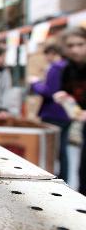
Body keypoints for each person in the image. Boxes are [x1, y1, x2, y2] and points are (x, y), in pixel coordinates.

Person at [30, 41, 70, 182]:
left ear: (52, 53)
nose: (46, 59)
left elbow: (49, 92)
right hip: (66, 113)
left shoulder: (55, 68)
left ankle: (50, 178)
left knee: (50, 151)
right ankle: (65, 178)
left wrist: (35, 84)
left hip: (52, 113)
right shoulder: (68, 67)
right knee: (63, 149)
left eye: (47, 55)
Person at [54, 27, 86, 194]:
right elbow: (73, 97)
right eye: (71, 45)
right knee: (83, 170)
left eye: (80, 44)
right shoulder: (68, 69)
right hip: (83, 125)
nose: (75, 49)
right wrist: (65, 98)